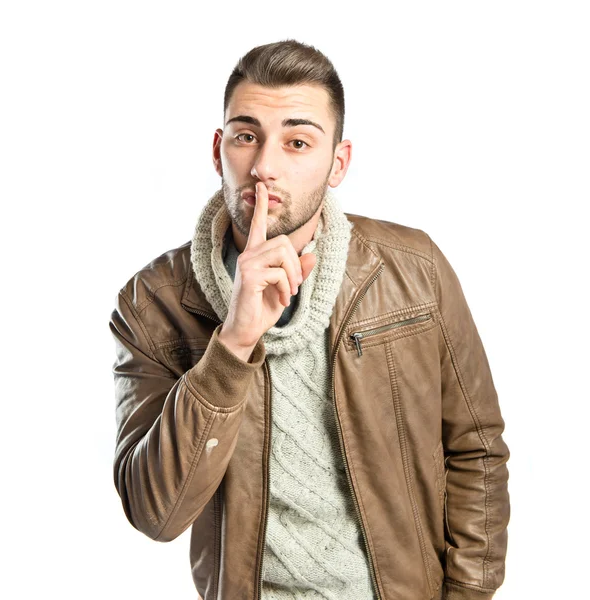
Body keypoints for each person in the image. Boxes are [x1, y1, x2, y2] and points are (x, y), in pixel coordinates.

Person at [109, 39, 510, 600]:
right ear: (218, 149)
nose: (265, 167)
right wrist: (235, 340)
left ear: (338, 162)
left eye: (298, 142)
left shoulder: (414, 270)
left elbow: (476, 449)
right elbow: (155, 513)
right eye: (247, 137)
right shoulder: (153, 304)